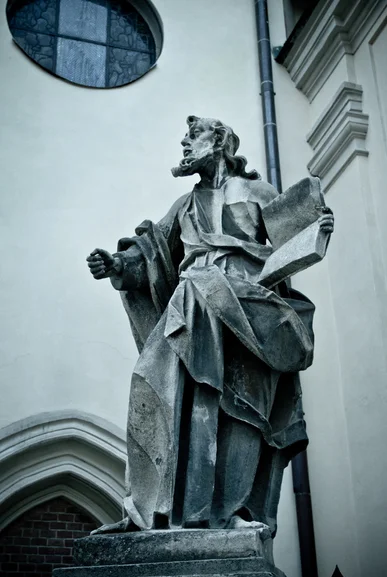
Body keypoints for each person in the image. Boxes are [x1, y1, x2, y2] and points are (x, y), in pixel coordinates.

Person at [86, 116, 334, 536]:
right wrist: (116, 265)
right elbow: (152, 252)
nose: (184, 143)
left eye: (192, 135)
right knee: (160, 387)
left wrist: (318, 228)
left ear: (218, 140)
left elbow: (294, 236)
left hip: (248, 309)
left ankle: (232, 512)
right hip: (192, 305)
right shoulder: (184, 205)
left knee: (241, 409)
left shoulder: (256, 192)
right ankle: (153, 512)